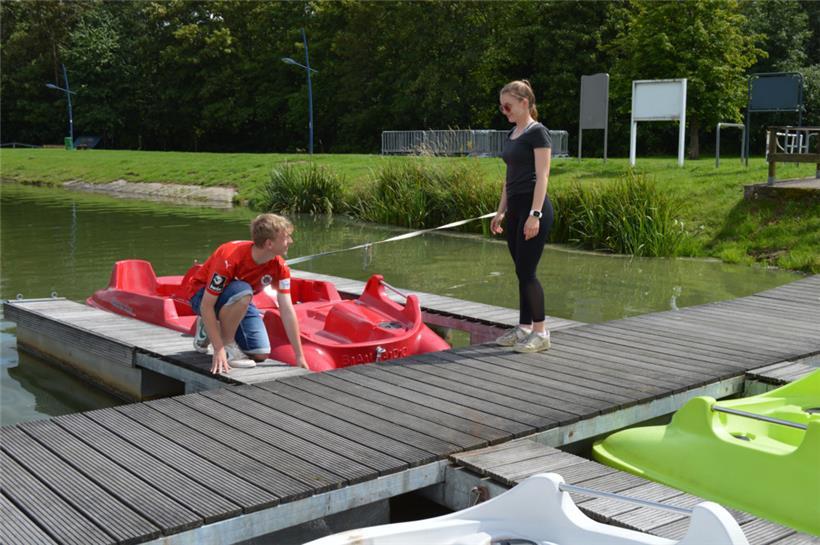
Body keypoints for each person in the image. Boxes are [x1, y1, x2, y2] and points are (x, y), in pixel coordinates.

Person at [184, 213, 309, 374]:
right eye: (286, 238)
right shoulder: (229, 257)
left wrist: (299, 355)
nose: (290, 241)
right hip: (202, 296)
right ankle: (228, 344)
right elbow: (206, 305)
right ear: (269, 244)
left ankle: (209, 327)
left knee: (260, 352)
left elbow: (286, 309)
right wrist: (219, 348)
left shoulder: (280, 266)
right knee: (243, 290)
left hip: (237, 298)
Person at [490, 79, 554, 353]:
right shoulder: (512, 134)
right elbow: (509, 178)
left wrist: (535, 215)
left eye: (508, 106)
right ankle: (524, 327)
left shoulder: (538, 133)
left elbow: (543, 176)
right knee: (521, 271)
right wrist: (500, 210)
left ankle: (540, 332)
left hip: (533, 208)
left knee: (528, 271)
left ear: (524, 103)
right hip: (515, 209)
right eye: (502, 108)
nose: (505, 112)